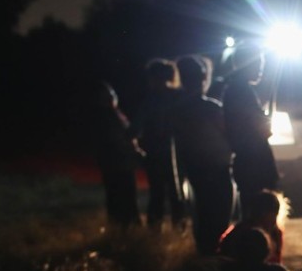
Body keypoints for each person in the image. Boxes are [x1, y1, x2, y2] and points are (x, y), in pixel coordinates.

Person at [173, 54, 235, 255]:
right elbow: (229, 134)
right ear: (202, 78)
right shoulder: (211, 108)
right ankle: (217, 260)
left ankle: (205, 259)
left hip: (194, 170)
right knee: (219, 218)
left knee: (202, 218)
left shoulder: (178, 110)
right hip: (216, 169)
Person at [220, 41, 279, 211]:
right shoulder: (240, 91)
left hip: (248, 160)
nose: (261, 68)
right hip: (254, 161)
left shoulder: (236, 89)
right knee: (259, 210)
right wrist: (264, 123)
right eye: (258, 63)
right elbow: (257, 127)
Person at [136, 58, 185, 230]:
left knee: (165, 193)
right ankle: (172, 229)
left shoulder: (158, 99)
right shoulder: (174, 97)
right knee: (171, 193)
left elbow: (137, 126)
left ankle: (163, 229)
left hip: (165, 152)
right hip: (163, 152)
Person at [89, 80, 142, 228]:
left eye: (111, 93)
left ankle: (123, 226)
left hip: (118, 162)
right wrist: (133, 150)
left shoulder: (115, 114)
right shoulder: (107, 116)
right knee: (122, 196)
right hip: (118, 163)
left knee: (121, 196)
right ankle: (124, 227)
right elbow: (119, 139)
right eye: (107, 95)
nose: (112, 97)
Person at [218, 188, 288, 263]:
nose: (274, 218)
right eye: (271, 213)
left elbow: (277, 262)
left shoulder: (276, 233)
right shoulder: (241, 232)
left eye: (276, 213)